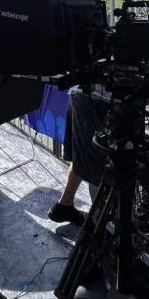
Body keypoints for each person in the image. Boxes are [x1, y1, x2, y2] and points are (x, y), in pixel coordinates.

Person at [48, 87, 109, 226]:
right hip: (96, 99)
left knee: (82, 157)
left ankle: (64, 206)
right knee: (97, 166)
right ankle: (97, 226)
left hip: (82, 93)